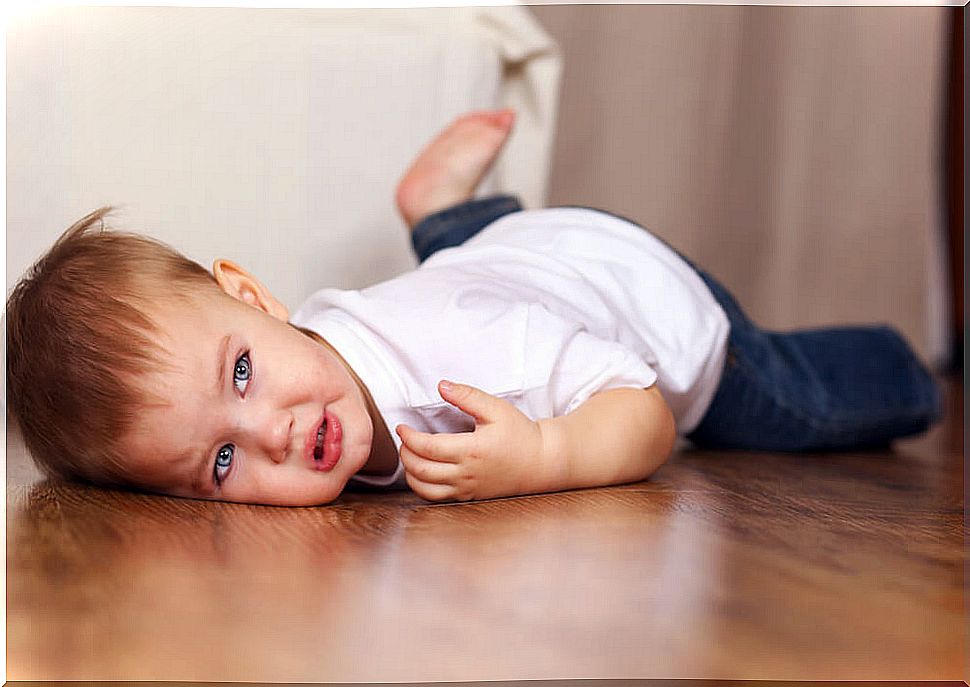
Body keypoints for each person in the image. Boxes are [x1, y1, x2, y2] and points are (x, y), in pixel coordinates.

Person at [5, 110, 942, 506]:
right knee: (471, 263)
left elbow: (642, 404)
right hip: (512, 263)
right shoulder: (319, 343)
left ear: (253, 295)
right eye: (219, 460)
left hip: (647, 301)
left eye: (243, 374)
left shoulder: (461, 355)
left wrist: (546, 452)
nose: (275, 434)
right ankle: (446, 215)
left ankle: (918, 370)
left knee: (797, 399)